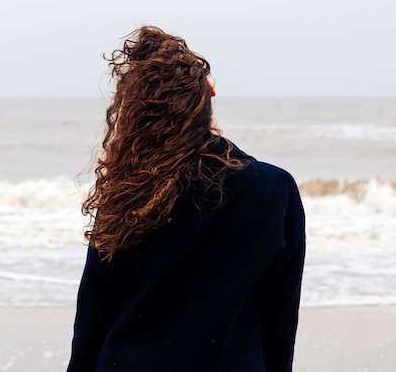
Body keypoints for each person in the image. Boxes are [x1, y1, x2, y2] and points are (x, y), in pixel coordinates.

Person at [67, 26, 305, 372]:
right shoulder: (274, 189)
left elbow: (94, 311)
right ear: (208, 95)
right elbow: (280, 316)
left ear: (134, 113)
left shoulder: (131, 189)